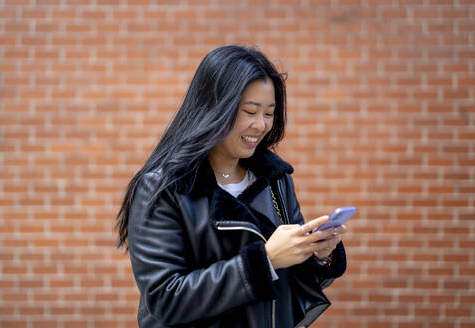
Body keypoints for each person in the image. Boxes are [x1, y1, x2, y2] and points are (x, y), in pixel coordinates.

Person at [115, 45, 347, 328]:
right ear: (214, 107)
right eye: (249, 111)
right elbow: (166, 298)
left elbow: (292, 285)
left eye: (269, 113)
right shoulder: (163, 189)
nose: (260, 125)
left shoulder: (275, 180)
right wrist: (264, 261)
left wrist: (318, 254)